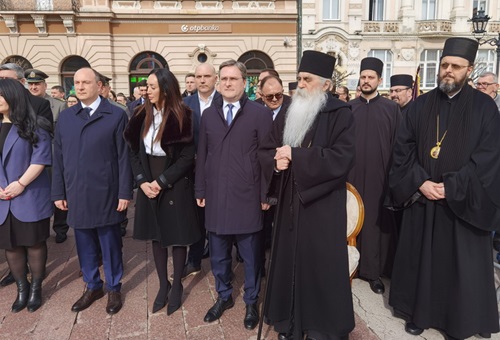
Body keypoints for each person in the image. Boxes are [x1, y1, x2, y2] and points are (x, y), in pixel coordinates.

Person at [386, 37, 500, 339]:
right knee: (421, 261)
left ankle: (458, 321)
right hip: (423, 199)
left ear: (470, 69)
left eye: (456, 66)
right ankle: (417, 314)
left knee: (458, 267)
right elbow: (403, 149)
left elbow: (489, 157)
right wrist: (420, 181)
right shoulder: (421, 105)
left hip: (462, 203)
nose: (448, 71)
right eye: (445, 65)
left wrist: (451, 186)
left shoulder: (485, 108)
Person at [259, 50, 355, 340]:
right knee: (290, 262)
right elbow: (266, 149)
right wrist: (275, 162)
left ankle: (319, 326)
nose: (300, 84)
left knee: (320, 267)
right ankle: (289, 320)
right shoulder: (289, 111)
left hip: (322, 206)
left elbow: (342, 158)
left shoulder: (340, 113)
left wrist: (297, 157)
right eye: (299, 78)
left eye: (307, 79)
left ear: (325, 85)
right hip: (290, 204)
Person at [195, 59, 272, 330]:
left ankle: (251, 300)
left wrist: (265, 194)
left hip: (248, 197)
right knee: (218, 254)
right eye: (224, 79)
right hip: (216, 196)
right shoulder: (208, 114)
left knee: (251, 256)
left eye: (233, 79)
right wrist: (200, 189)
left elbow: (266, 159)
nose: (228, 83)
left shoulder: (259, 114)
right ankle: (224, 296)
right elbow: (202, 154)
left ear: (244, 83)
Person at [52, 67, 133, 315]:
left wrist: (124, 192)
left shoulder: (115, 115)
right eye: (76, 82)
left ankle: (114, 287)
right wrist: (58, 192)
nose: (80, 86)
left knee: (109, 242)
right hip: (76, 191)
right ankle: (92, 285)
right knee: (84, 242)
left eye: (86, 82)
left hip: (106, 191)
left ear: (99, 85)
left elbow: (123, 157)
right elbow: (58, 156)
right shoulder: (66, 117)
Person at [124, 68, 200, 315]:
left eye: (153, 86)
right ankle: (162, 284)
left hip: (173, 181)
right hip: (147, 180)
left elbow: (188, 156)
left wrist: (163, 181)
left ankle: (177, 283)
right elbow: (133, 152)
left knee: (177, 236)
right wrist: (142, 181)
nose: (147, 90)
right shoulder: (139, 114)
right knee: (156, 236)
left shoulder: (183, 115)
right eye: (147, 85)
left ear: (166, 89)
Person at [348, 57, 401, 295]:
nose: (366, 81)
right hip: (351, 178)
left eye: (371, 77)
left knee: (375, 226)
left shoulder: (391, 109)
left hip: (381, 179)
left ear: (380, 80)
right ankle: (351, 267)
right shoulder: (349, 107)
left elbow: (399, 146)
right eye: (363, 77)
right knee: (351, 222)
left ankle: (373, 272)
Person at [0, 79, 53, 313]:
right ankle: (22, 288)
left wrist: (21, 184)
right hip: (2, 197)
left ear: (12, 96)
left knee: (34, 243)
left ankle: (36, 288)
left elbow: (40, 158)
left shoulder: (34, 124)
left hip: (28, 194)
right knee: (10, 246)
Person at [181, 62, 221, 279]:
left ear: (215, 78)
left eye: (207, 76)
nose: (203, 80)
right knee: (196, 218)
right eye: (199, 76)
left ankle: (220, 263)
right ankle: (194, 260)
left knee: (217, 218)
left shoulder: (225, 102)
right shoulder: (184, 104)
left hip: (219, 170)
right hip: (192, 171)